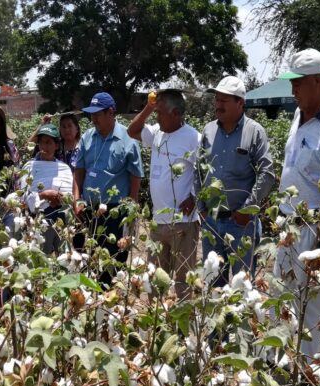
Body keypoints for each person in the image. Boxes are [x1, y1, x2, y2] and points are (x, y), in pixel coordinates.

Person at [275, 49, 320, 359]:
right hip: (288, 225)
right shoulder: (297, 115)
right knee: (283, 299)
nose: (293, 91)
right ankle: (284, 365)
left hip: (312, 231)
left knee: (313, 307)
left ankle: (308, 374)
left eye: (299, 84)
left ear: (319, 82)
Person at [191, 75, 275, 287]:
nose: (218, 105)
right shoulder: (208, 130)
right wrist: (201, 207)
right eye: (217, 99)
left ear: (240, 103)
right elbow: (197, 169)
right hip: (211, 220)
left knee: (242, 288)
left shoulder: (254, 131)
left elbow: (267, 173)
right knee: (212, 285)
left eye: (224, 100)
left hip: (241, 224)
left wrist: (246, 211)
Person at [127, 89, 201, 300]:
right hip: (158, 222)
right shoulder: (157, 133)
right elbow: (132, 131)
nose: (157, 118)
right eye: (156, 113)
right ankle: (158, 329)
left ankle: (182, 330)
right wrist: (149, 108)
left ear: (176, 113)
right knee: (155, 280)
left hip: (183, 222)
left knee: (183, 281)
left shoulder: (193, 138)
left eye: (160, 113)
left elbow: (205, 171)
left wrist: (194, 197)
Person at [73, 92, 143, 285]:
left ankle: (108, 305)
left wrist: (131, 208)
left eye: (97, 114)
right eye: (91, 114)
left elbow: (135, 176)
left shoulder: (127, 139)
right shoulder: (88, 137)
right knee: (85, 260)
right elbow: (78, 171)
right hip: (87, 209)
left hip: (115, 212)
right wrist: (77, 199)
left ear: (111, 112)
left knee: (112, 263)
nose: (93, 118)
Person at [21, 124, 74, 254]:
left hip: (62, 220)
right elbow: (24, 197)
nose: (45, 146)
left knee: (64, 259)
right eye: (42, 142)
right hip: (40, 220)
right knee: (40, 257)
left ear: (56, 145)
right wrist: (44, 195)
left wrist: (60, 199)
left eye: (49, 142)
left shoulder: (64, 168)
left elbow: (70, 195)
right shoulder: (29, 167)